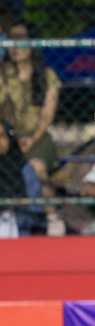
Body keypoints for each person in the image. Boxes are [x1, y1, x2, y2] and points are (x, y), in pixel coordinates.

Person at [0, 22, 65, 236]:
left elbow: (47, 115)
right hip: (7, 136)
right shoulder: (3, 74)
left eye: (20, 41)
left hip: (38, 137)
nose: (14, 47)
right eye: (11, 41)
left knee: (36, 168)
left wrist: (32, 139)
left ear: (32, 45)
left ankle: (49, 218)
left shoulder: (47, 75)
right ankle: (16, 218)